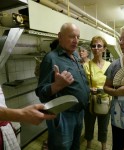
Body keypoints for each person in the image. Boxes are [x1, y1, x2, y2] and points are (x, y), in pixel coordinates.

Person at [35, 22, 90, 150]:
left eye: (78, 37)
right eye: (71, 36)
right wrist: (57, 85)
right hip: (64, 115)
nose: (76, 41)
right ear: (60, 36)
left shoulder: (75, 56)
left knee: (75, 146)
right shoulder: (51, 58)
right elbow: (41, 93)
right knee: (62, 147)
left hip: (79, 113)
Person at [83, 36, 111, 150]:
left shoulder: (110, 65)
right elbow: (83, 84)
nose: (96, 48)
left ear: (104, 49)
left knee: (103, 126)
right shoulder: (86, 65)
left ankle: (104, 147)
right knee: (89, 124)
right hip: (90, 100)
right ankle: (88, 146)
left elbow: (113, 83)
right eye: (93, 46)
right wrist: (88, 89)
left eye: (99, 46)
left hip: (105, 100)